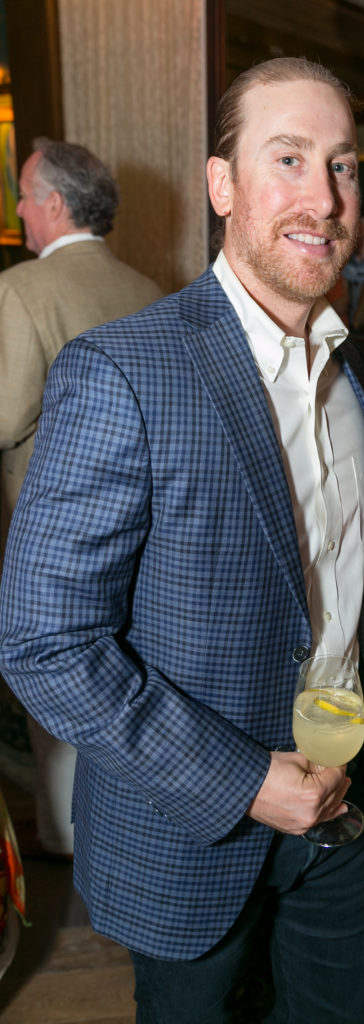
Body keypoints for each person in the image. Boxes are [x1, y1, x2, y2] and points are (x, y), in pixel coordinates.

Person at [0, 57, 364, 1023]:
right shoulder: (124, 371)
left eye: (341, 166)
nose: (323, 198)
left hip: (340, 815)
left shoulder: (355, 386)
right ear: (222, 186)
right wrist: (246, 780)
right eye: (287, 158)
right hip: (191, 840)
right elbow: (46, 643)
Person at [0, 137, 162, 859]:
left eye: (26, 196)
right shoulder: (149, 289)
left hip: (51, 530)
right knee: (120, 677)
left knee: (54, 681)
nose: (19, 210)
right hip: (143, 530)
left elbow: (4, 417)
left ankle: (68, 844)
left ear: (56, 205)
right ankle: (120, 829)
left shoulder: (22, 289)